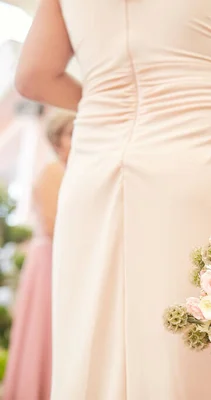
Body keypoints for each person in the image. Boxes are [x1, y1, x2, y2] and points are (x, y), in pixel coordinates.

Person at [14, 0, 211, 398]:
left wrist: (110, 97)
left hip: (98, 155)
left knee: (98, 320)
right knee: (201, 317)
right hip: (197, 145)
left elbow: (34, 76)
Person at [3, 110, 73, 400]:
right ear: (57, 141)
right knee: (45, 333)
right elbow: (53, 225)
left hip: (62, 260)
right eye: (72, 135)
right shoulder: (53, 172)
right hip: (51, 263)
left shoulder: (69, 172)